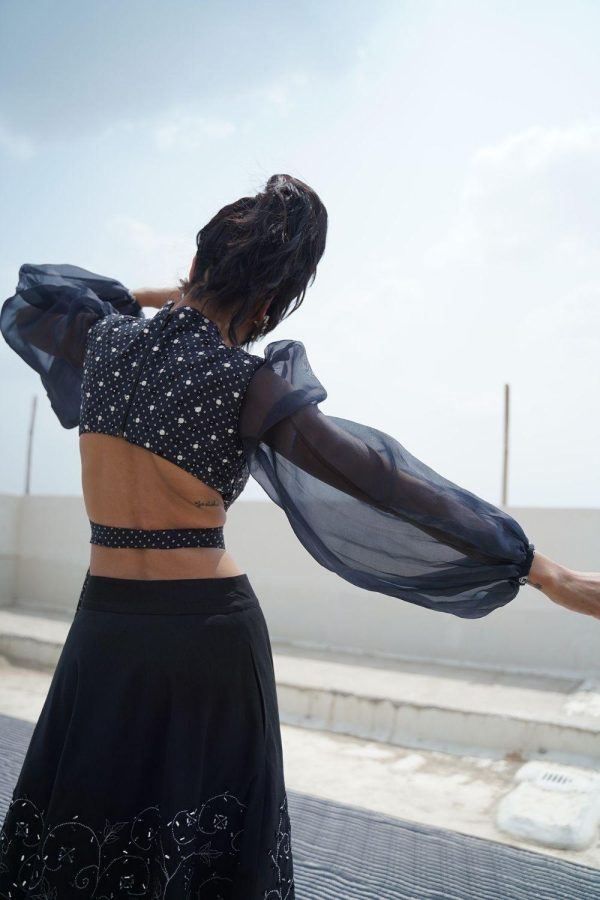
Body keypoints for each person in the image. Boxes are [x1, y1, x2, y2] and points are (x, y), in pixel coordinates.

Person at [0, 174, 597, 900]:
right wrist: (535, 566)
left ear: (199, 265)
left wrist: (184, 293)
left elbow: (46, 295)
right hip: (207, 641)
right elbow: (385, 483)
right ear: (267, 304)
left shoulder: (105, 342)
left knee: (85, 844)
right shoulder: (248, 385)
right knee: (200, 865)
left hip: (105, 626)